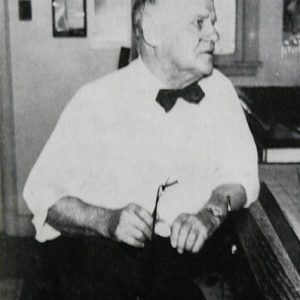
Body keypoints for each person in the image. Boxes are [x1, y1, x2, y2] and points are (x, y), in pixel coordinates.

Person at [23, 0, 259, 299]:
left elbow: (239, 179)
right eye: (199, 23)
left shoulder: (220, 93)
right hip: (85, 271)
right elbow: (45, 198)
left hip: (167, 272)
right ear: (152, 32)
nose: (215, 35)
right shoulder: (96, 102)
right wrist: (106, 221)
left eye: (213, 22)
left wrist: (209, 215)